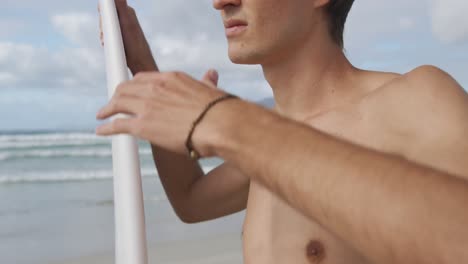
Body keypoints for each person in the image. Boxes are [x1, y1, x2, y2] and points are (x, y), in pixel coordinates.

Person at [96, 0, 468, 263]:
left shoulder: (416, 98)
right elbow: (192, 200)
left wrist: (230, 123)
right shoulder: (275, 142)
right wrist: (143, 65)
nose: (220, 2)